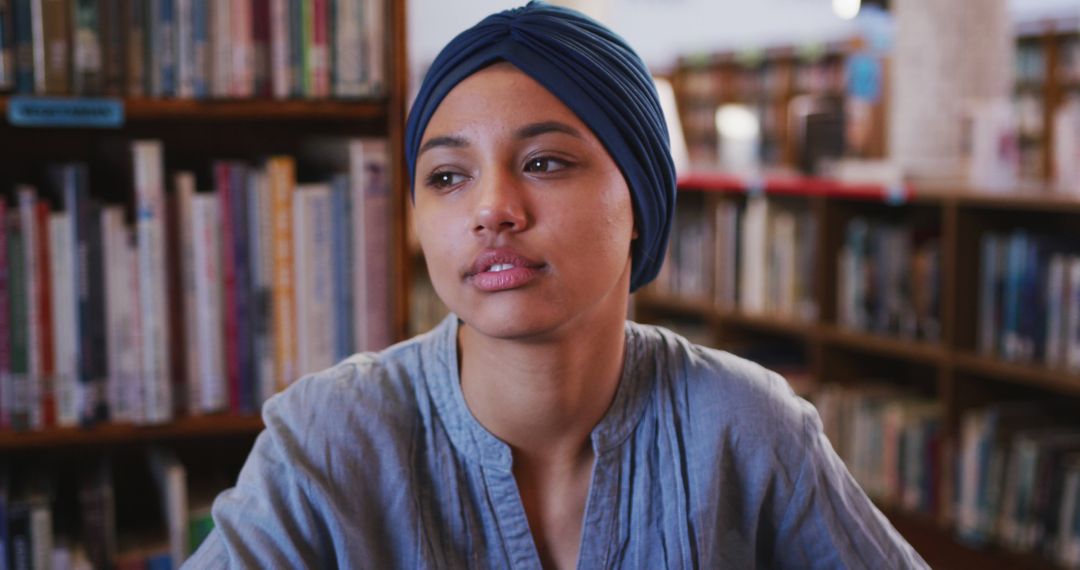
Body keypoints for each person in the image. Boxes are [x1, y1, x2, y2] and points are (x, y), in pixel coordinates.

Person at [184, 3, 929, 568]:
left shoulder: (747, 427)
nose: (492, 210)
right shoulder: (328, 439)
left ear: (639, 200)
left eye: (544, 162)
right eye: (447, 176)